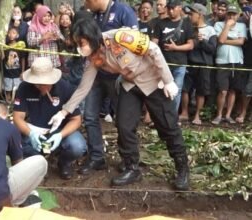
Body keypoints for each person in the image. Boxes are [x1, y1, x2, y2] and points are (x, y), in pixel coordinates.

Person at [48, 18, 190, 190]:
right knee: (124, 125)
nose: (80, 47)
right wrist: (63, 112)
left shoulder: (120, 37)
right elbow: (83, 88)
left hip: (154, 81)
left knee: (168, 126)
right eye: (78, 43)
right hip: (130, 85)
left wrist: (168, 80)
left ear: (92, 37)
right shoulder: (94, 58)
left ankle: (182, 169)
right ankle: (132, 167)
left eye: (82, 43)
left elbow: (153, 50)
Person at [75, 0, 138, 176]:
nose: (85, 4)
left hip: (118, 76)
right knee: (90, 116)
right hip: (96, 73)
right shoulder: (93, 16)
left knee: (123, 120)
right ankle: (97, 157)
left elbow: (135, 43)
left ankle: (129, 160)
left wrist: (125, 71)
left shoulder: (123, 11)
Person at [13, 57, 87, 180]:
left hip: (58, 130)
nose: (41, 86)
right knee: (13, 140)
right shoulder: (24, 87)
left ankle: (64, 162)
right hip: (34, 129)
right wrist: (30, 133)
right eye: (37, 83)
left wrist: (60, 135)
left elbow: (76, 119)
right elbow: (17, 117)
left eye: (44, 83)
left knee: (77, 145)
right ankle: (38, 162)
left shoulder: (65, 87)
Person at [152, 0, 194, 113]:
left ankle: (172, 116)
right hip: (162, 63)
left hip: (180, 63)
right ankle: (159, 115)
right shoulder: (160, 24)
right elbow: (154, 43)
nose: (170, 11)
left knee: (176, 90)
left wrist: (175, 48)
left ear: (180, 8)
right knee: (160, 89)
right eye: (169, 8)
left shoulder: (187, 23)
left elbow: (190, 45)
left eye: (173, 8)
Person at [179, 3, 217, 125]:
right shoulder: (186, 27)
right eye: (189, 13)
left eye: (192, 13)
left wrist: (203, 41)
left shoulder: (210, 30)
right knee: (184, 89)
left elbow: (212, 49)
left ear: (200, 15)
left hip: (204, 64)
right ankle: (184, 113)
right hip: (189, 62)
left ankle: (197, 115)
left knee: (201, 91)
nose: (190, 16)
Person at [211, 4, 247, 125]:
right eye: (229, 13)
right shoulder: (218, 25)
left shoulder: (242, 26)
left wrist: (226, 40)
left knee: (232, 90)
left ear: (237, 15)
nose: (231, 16)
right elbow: (220, 40)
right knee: (222, 90)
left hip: (237, 60)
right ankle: (219, 115)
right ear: (226, 14)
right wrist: (227, 26)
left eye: (234, 14)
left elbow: (241, 41)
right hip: (222, 61)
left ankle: (228, 115)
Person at [2, 27, 25, 102]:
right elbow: (2, 58)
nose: (11, 35)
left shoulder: (20, 46)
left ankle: (16, 105)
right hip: (7, 73)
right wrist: (1, 48)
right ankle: (8, 104)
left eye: (13, 33)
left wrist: (23, 71)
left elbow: (23, 59)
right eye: (9, 33)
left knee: (17, 91)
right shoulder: (5, 46)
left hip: (17, 73)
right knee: (8, 90)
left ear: (17, 35)